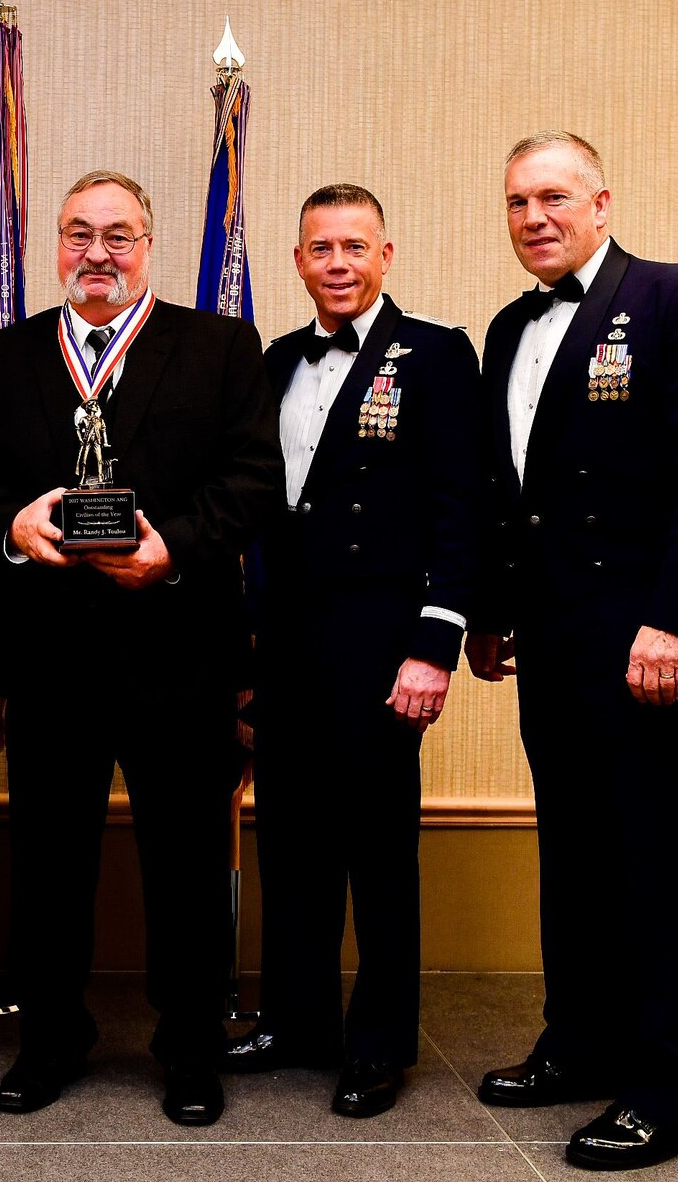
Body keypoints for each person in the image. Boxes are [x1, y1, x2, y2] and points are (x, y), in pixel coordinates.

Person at [0, 170, 283, 1127]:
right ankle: (50, 1036)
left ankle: (190, 1043)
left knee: (185, 858)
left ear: (150, 243)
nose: (97, 253)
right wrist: (14, 526)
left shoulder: (220, 345)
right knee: (50, 857)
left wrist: (172, 547)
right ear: (55, 244)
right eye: (77, 233)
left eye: (119, 234)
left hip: (178, 644)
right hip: (51, 654)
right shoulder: (5, 357)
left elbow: (252, 477)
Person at [466, 132, 678, 1170]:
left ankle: (663, 1090)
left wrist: (677, 619)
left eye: (552, 196)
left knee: (649, 862)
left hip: (642, 635)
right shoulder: (506, 329)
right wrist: (492, 611)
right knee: (575, 853)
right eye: (514, 202)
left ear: (600, 200)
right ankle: (578, 1043)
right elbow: (510, 492)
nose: (533, 217)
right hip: (549, 637)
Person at [222, 184, 483, 1117]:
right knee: (292, 840)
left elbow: (465, 508)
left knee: (377, 848)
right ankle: (296, 1019)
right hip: (287, 640)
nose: (337, 263)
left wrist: (435, 646)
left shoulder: (439, 355)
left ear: (386, 254)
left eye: (354, 247)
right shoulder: (278, 357)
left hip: (383, 643)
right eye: (320, 248)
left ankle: (379, 1042)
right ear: (297, 261)